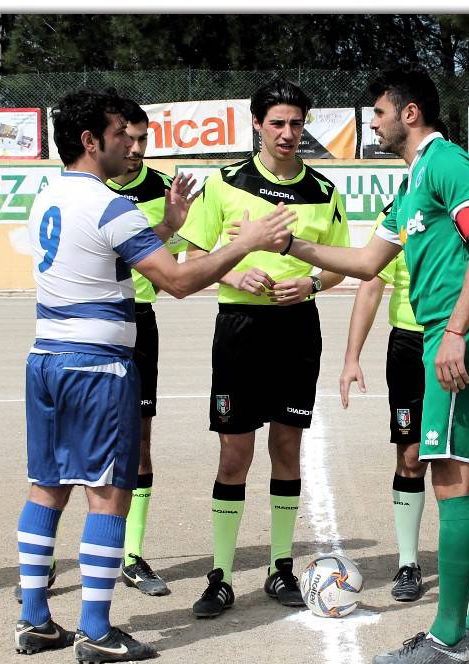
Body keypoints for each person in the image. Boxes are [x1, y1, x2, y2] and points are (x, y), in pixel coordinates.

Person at [14, 89, 292, 664]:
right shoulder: (108, 203)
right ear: (90, 141)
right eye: (121, 135)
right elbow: (178, 282)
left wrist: (165, 226)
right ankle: (95, 628)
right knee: (110, 492)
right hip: (97, 366)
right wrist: (243, 243)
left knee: (48, 486)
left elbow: (106, 255)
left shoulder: (49, 197)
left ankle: (35, 618)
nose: (132, 147)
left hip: (46, 359)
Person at [279, 67, 469, 664]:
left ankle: (446, 637)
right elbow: (364, 262)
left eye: (377, 113)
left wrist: (456, 330)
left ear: (410, 113)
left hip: (459, 332)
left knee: (449, 474)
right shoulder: (408, 186)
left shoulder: (444, 162)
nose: (371, 123)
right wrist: (293, 247)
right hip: (448, 330)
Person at [178, 80, 349, 619]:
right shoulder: (224, 184)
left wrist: (314, 284)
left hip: (298, 329)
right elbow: (190, 263)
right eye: (277, 123)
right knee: (235, 454)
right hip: (241, 329)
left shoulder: (324, 190)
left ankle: (280, 568)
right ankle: (221, 576)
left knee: (287, 448)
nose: (288, 133)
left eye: (296, 123)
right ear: (257, 124)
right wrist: (237, 268)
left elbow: (340, 266)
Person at [339, 200, 469, 604]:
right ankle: (409, 562)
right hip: (410, 343)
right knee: (410, 456)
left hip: (461, 338)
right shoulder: (403, 207)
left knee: (466, 458)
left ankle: (467, 566)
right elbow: (371, 281)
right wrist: (352, 355)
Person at [105, 99, 183, 596]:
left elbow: (169, 261)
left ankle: (131, 553)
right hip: (91, 319)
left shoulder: (162, 189)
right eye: (127, 140)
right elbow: (118, 247)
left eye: (143, 141)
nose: (135, 151)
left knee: (139, 441)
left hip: (140, 320)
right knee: (79, 442)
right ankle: (48, 555)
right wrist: (168, 227)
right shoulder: (87, 185)